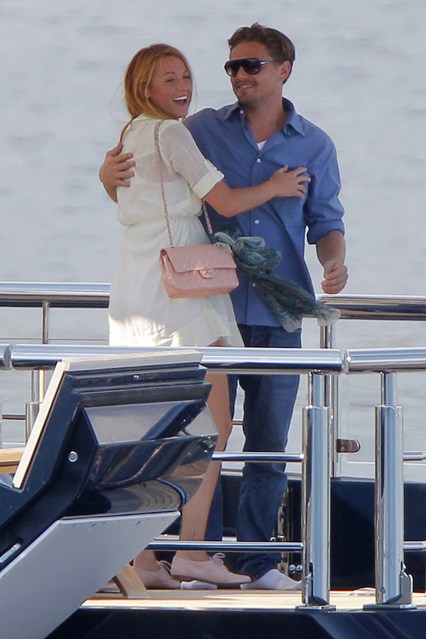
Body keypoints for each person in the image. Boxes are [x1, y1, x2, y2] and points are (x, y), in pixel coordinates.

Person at [100, 24, 348, 591]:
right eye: (232, 66)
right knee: (202, 433)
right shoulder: (197, 127)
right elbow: (143, 175)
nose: (239, 75)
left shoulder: (316, 144)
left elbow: (327, 221)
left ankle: (254, 563)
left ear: (283, 70)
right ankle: (197, 556)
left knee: (267, 443)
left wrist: (335, 262)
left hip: (278, 310)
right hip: (208, 303)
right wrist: (104, 175)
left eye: (251, 65)